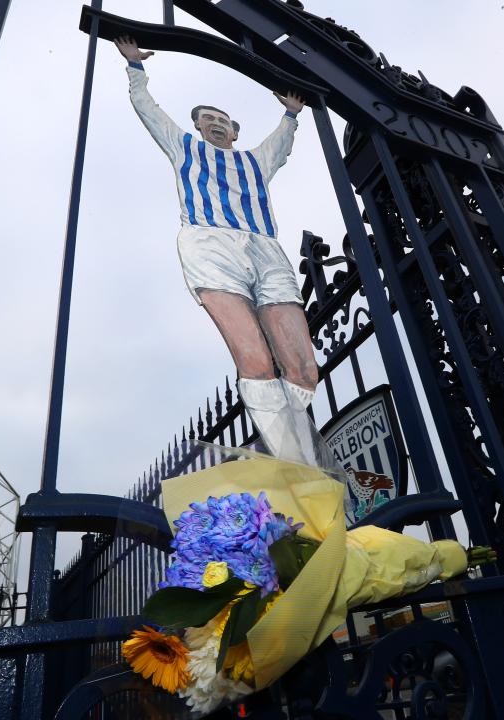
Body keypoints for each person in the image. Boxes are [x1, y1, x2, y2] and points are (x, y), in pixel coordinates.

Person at [114, 36, 332, 469]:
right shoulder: (185, 149)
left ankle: (294, 449)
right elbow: (150, 113)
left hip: (265, 249)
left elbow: (283, 140)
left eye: (221, 120)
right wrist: (136, 68)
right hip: (210, 244)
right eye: (206, 119)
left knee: (305, 370)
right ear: (197, 127)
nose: (214, 123)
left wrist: (291, 111)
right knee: (254, 359)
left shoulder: (256, 161)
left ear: (234, 131)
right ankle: (298, 466)